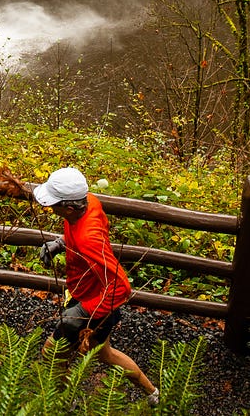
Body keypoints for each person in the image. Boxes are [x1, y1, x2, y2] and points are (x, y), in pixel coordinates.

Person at [34, 166, 160, 408]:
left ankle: (63, 405)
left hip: (96, 305)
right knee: (105, 354)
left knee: (52, 353)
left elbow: (121, 288)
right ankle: (153, 394)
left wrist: (79, 313)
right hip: (87, 293)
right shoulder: (89, 201)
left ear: (69, 207)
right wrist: (60, 243)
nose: (50, 209)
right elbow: (80, 232)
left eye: (54, 204)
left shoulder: (87, 238)